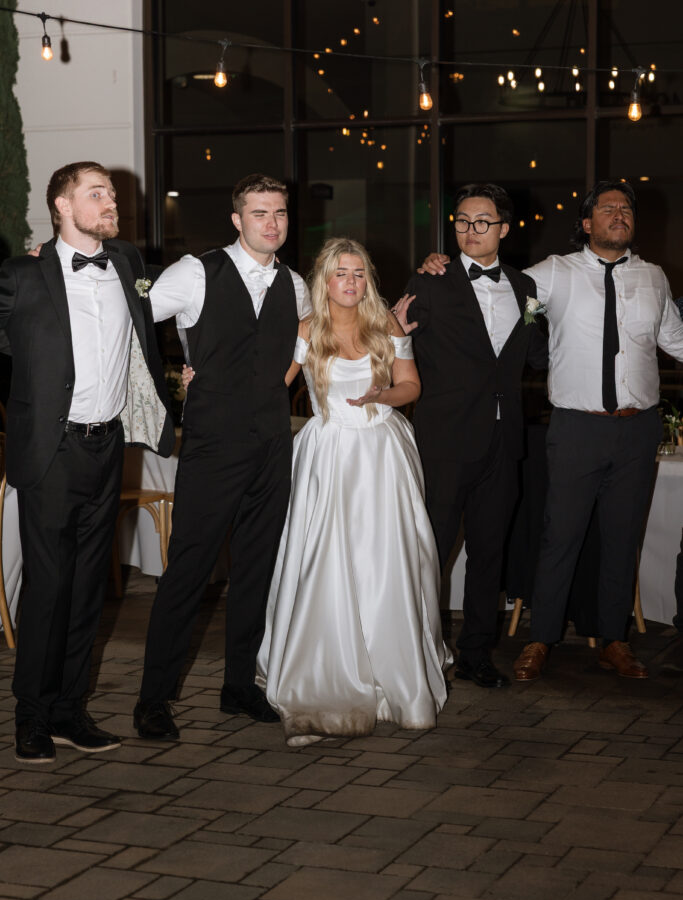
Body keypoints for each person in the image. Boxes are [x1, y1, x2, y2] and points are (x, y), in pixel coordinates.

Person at [422, 179, 683, 679]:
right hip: (575, 429)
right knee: (558, 536)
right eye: (607, 208)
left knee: (621, 538)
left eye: (626, 208)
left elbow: (674, 337)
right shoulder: (551, 275)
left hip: (638, 429)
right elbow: (496, 289)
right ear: (586, 223)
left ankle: (613, 639)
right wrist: (440, 266)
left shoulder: (654, 277)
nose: (619, 214)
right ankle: (541, 638)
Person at [0, 161, 175, 764]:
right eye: (96, 193)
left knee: (86, 588)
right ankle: (30, 717)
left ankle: (71, 710)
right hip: (52, 448)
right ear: (61, 205)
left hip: (109, 445)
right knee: (48, 586)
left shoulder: (126, 263)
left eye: (112, 193)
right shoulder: (23, 273)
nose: (111, 201)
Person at [248, 237, 448, 746]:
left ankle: (392, 677)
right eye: (341, 273)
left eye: (359, 273)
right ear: (324, 279)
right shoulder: (306, 329)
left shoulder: (387, 324)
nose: (351, 282)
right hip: (328, 454)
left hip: (382, 453)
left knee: (388, 564)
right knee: (324, 561)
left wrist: (385, 395)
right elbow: (274, 384)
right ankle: (322, 678)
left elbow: (412, 386)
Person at [134, 174, 311, 741]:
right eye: (260, 213)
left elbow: (299, 353)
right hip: (212, 443)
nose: (271, 223)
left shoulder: (298, 284)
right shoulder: (195, 271)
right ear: (237, 219)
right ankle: (152, 700)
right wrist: (170, 387)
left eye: (279, 213)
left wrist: (273, 389)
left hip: (271, 443)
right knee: (187, 570)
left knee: (257, 570)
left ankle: (239, 687)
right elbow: (132, 324)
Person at [395, 183, 547, 690]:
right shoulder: (430, 279)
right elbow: (390, 341)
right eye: (462, 220)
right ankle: (413, 651)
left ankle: (477, 653)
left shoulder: (526, 288)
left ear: (504, 228)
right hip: (443, 441)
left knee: (490, 553)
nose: (470, 230)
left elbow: (538, 353)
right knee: (430, 551)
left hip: (505, 444)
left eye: (482, 221)